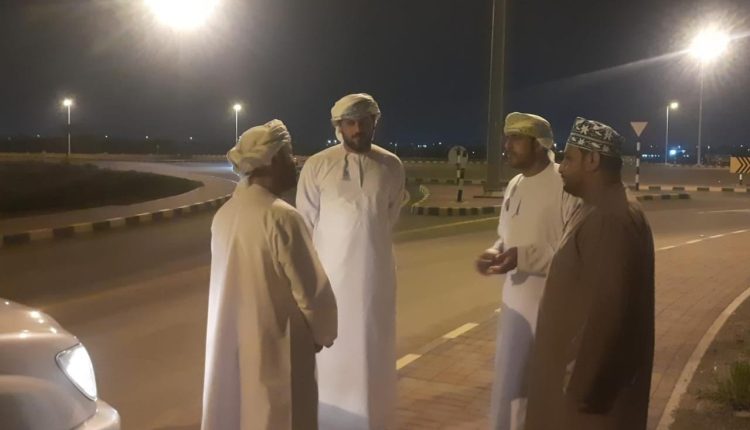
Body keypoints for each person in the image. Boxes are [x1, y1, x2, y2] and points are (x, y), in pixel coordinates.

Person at [202, 120, 338, 430]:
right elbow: (312, 292)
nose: (295, 162)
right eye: (290, 155)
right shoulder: (282, 216)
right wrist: (323, 334)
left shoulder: (224, 215)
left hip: (235, 340)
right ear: (274, 159)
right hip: (279, 343)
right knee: (282, 415)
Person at [525, 117, 655, 430]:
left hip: (586, 403)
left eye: (569, 159)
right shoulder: (597, 207)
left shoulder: (610, 218)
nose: (561, 167)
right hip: (579, 392)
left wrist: (578, 392)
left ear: (592, 160)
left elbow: (606, 315)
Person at [296, 93, 405, 430]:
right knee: (331, 358)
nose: (357, 129)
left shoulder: (391, 165)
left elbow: (387, 217)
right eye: (350, 123)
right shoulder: (317, 165)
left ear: (375, 122)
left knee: (374, 354)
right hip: (331, 282)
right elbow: (305, 224)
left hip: (375, 281)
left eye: (364, 122)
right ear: (339, 126)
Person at [475, 112, 579, 430]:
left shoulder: (566, 184)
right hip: (514, 305)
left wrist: (523, 257)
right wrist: (495, 251)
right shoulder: (515, 184)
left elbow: (574, 251)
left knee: (541, 386)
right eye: (507, 138)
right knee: (509, 383)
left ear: (539, 144)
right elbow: (508, 236)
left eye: (516, 138)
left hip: (550, 307)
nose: (507, 145)